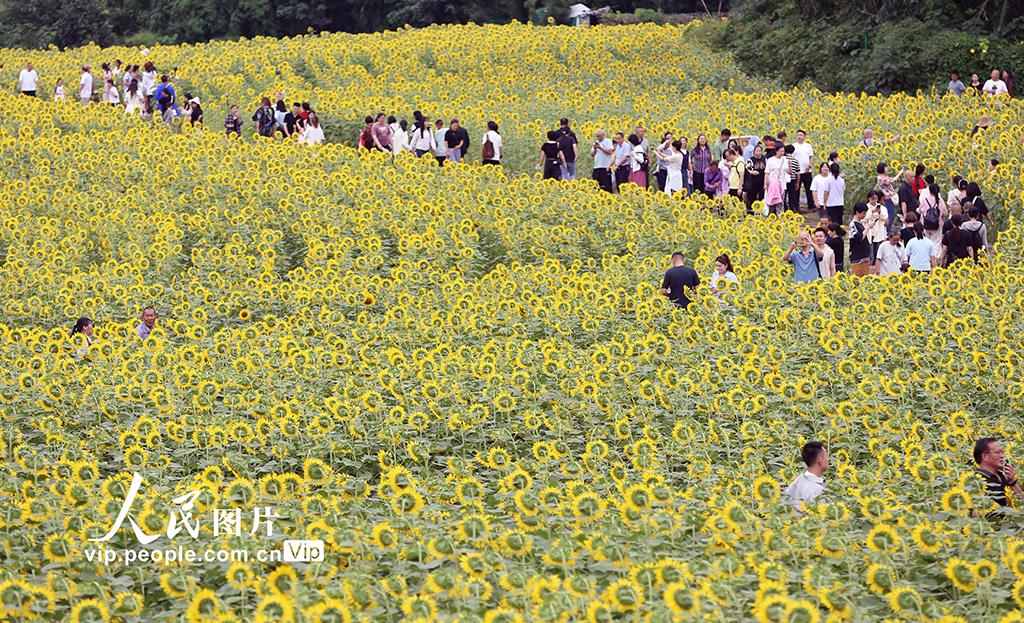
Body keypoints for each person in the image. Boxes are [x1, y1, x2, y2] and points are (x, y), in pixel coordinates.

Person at [973, 438, 1023, 509]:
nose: (1002, 456)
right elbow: (976, 511)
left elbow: (1022, 501)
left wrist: (1011, 482)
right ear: (985, 456)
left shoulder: (1001, 475)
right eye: (997, 452)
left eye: (1002, 452)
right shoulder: (978, 481)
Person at [785, 441, 828, 517]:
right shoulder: (815, 491)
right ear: (820, 461)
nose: (828, 460)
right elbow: (821, 518)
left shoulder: (799, 479)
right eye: (826, 456)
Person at [919, 182, 946, 250]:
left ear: (930, 191)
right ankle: (935, 256)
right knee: (936, 243)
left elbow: (919, 211)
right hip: (937, 225)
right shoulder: (941, 201)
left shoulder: (925, 200)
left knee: (926, 242)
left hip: (926, 224)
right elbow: (945, 213)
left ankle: (927, 255)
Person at [865, 191, 888, 268]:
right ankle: (870, 269)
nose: (874, 201)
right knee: (870, 255)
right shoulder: (866, 207)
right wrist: (871, 212)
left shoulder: (882, 207)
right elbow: (864, 218)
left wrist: (880, 212)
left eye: (876, 199)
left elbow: (885, 218)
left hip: (878, 234)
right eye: (872, 199)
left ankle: (877, 269)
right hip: (869, 233)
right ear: (869, 198)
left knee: (878, 254)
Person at [792, 130, 815, 210]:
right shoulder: (794, 146)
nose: (799, 137)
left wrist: (809, 166)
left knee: (809, 188)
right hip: (797, 171)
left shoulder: (808, 146)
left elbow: (811, 157)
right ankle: (796, 205)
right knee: (796, 189)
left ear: (804, 137)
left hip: (807, 170)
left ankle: (811, 204)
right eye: (798, 135)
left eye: (801, 135)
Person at [876, 163, 900, 232]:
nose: (887, 168)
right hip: (887, 198)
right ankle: (887, 231)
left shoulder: (882, 177)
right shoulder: (882, 178)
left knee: (890, 214)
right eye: (886, 167)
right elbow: (892, 181)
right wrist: (899, 174)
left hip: (888, 197)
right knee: (891, 215)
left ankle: (886, 230)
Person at [848, 202, 871, 277]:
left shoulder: (860, 224)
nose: (864, 215)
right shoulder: (852, 225)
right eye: (863, 213)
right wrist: (868, 227)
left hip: (864, 257)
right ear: (857, 212)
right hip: (858, 258)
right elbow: (859, 238)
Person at [764, 145, 788, 215]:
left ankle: (780, 218)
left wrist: (789, 165)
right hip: (772, 185)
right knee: (771, 203)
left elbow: (789, 172)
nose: (782, 153)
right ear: (776, 151)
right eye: (781, 151)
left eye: (783, 151)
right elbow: (767, 173)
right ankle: (771, 217)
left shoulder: (785, 160)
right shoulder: (770, 160)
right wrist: (765, 184)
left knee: (780, 203)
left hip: (782, 185)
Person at [783, 145, 800, 212]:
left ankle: (785, 209)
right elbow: (798, 173)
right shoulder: (795, 161)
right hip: (793, 180)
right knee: (792, 195)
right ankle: (791, 209)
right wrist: (797, 183)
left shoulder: (783, 159)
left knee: (783, 195)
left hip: (784, 179)